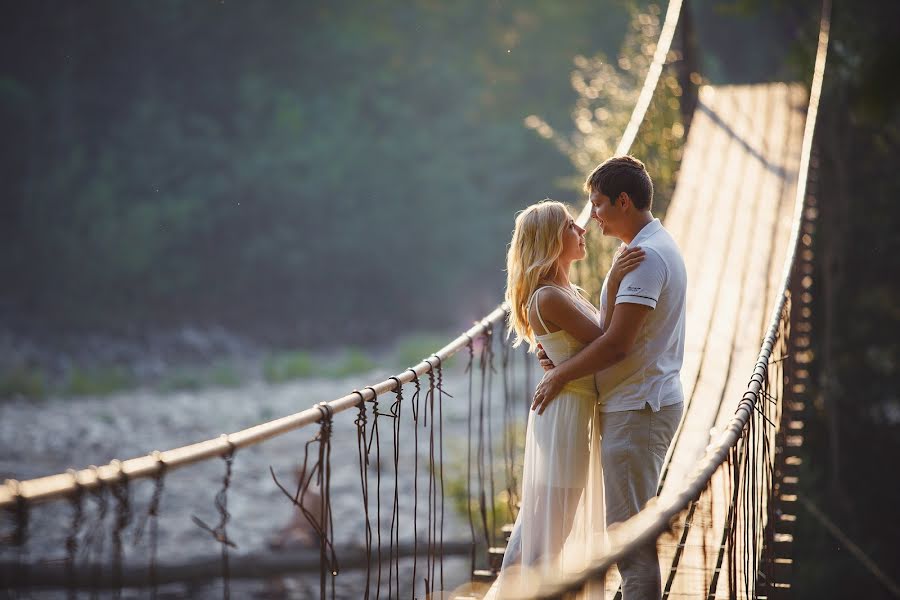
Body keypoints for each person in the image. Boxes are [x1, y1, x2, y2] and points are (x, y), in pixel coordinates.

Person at [531, 155, 687, 600]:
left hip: (638, 406)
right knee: (627, 536)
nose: (592, 215)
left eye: (598, 204)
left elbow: (617, 344)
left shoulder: (645, 257)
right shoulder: (639, 250)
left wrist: (561, 374)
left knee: (630, 547)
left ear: (623, 201)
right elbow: (611, 333)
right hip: (638, 402)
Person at [486, 199, 645, 599]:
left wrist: (557, 363)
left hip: (573, 410)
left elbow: (588, 342)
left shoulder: (564, 291)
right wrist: (615, 278)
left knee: (550, 524)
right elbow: (609, 341)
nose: (583, 230)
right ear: (551, 240)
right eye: (572, 227)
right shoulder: (549, 297)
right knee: (553, 530)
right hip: (566, 417)